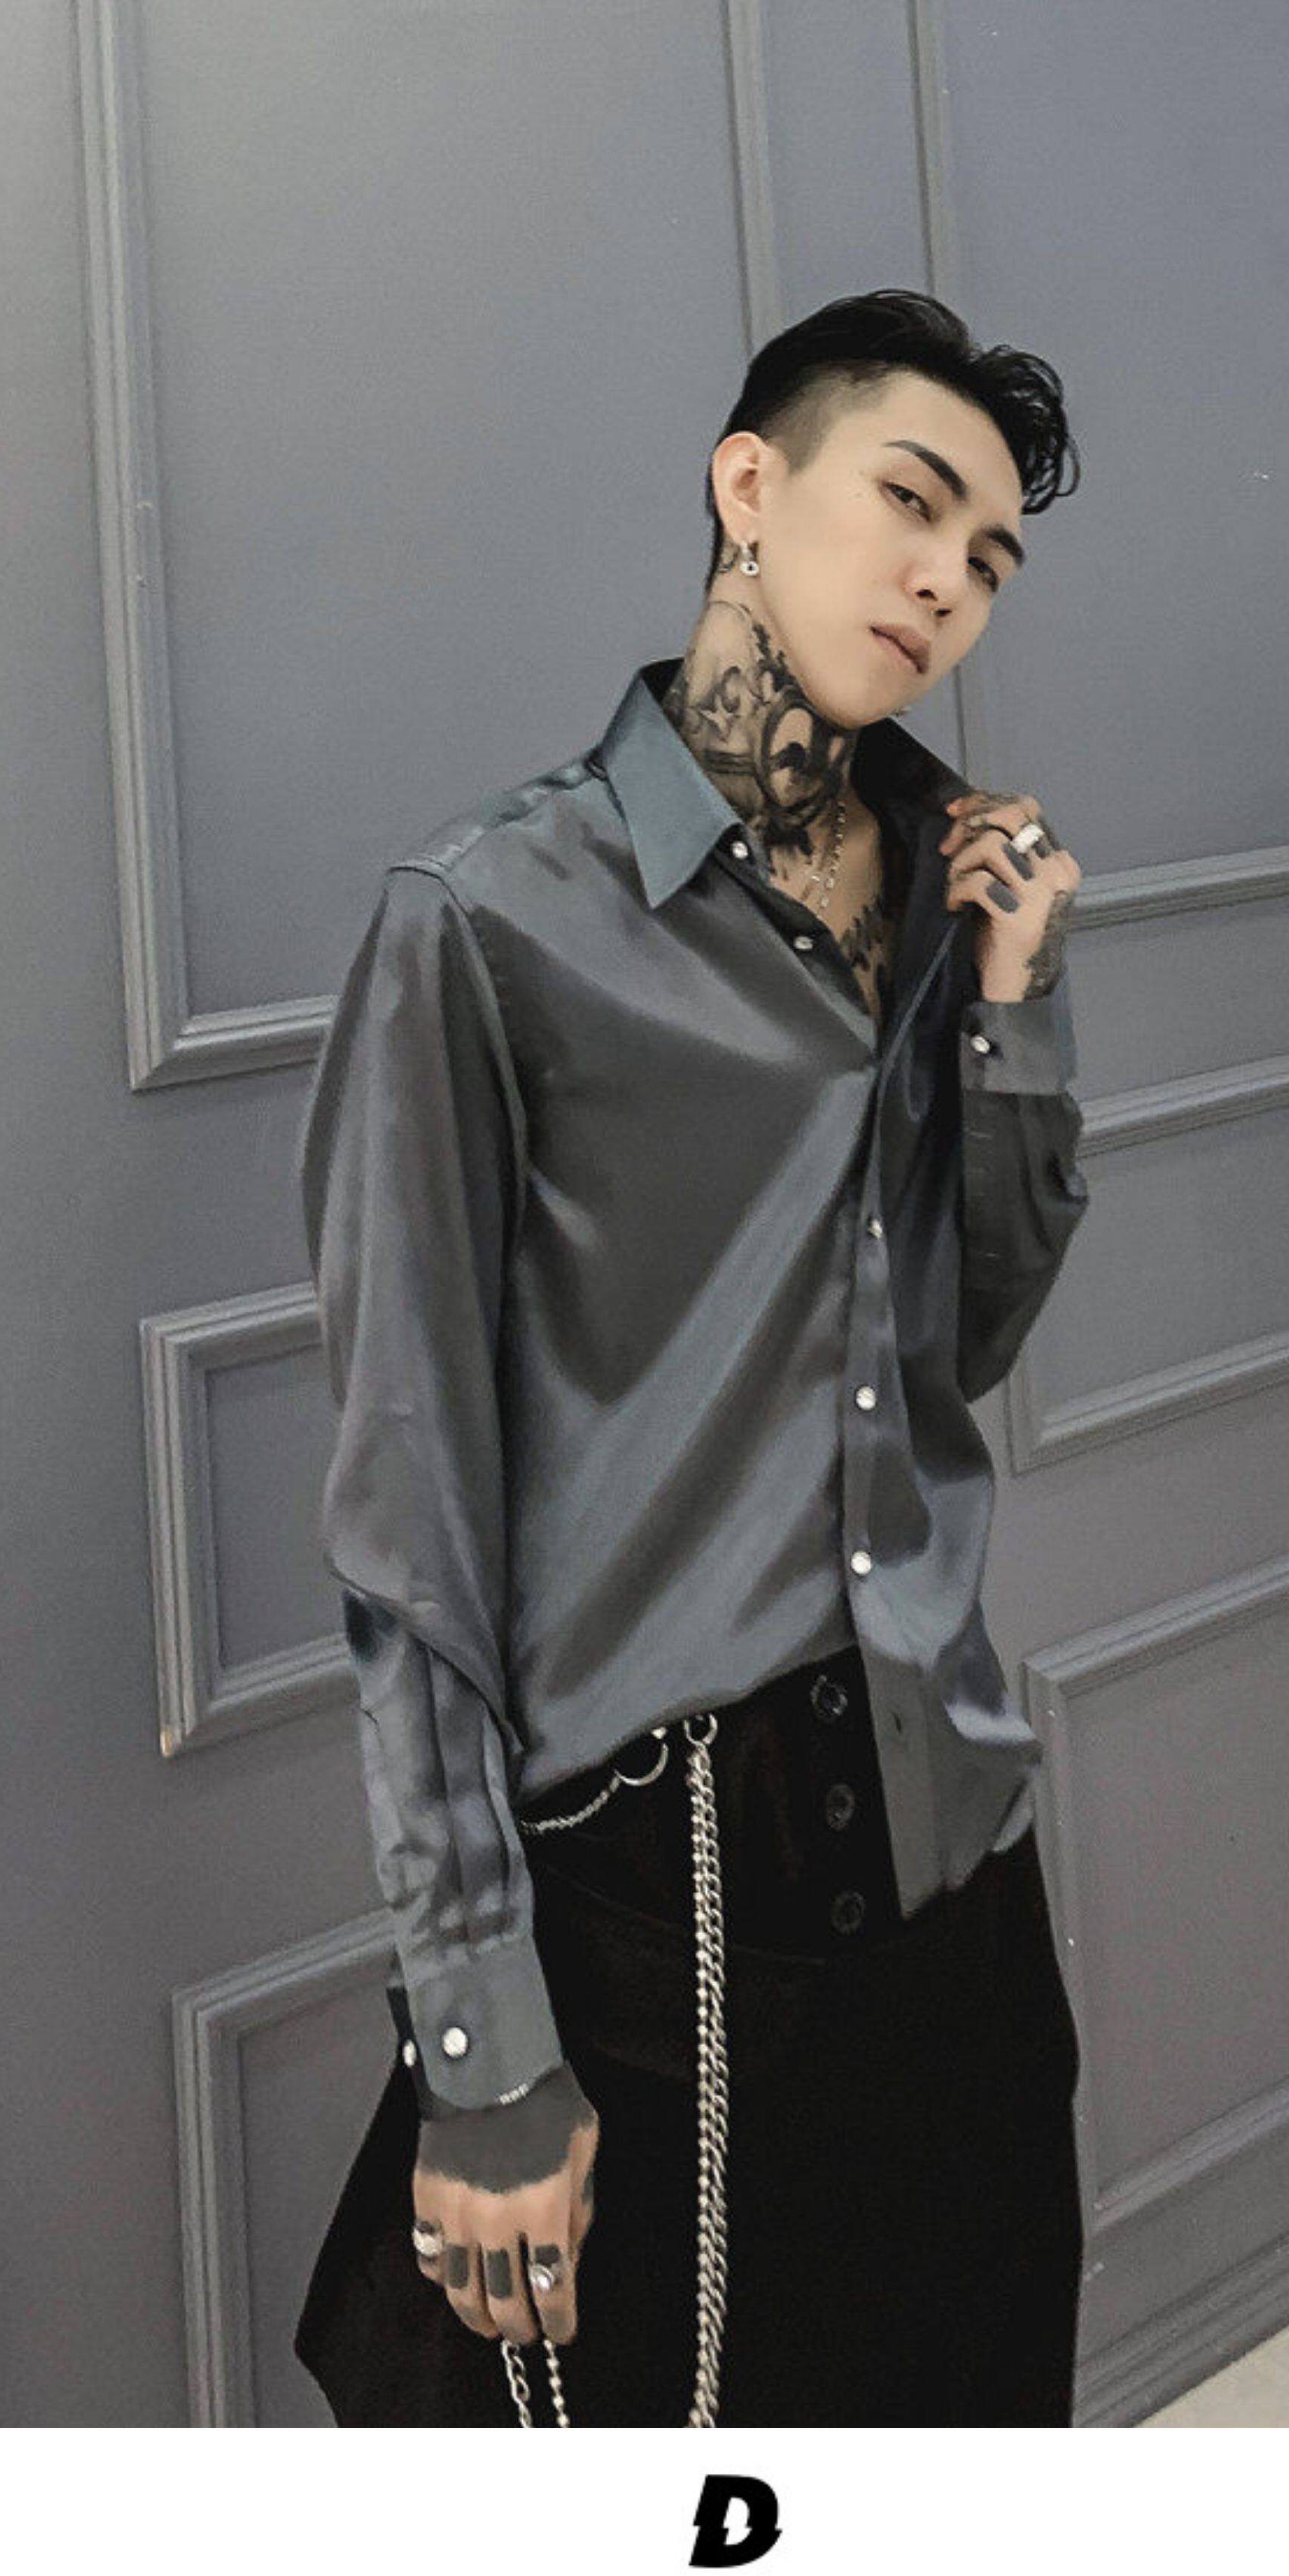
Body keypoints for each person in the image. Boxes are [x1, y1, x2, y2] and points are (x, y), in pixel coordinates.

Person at [293, 287, 1091, 2428]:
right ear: (751, 484)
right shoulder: (486, 920)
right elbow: (406, 1526)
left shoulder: (959, 903)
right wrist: (480, 2042)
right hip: (670, 1892)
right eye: (910, 501)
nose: (947, 580)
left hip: (952, 1849)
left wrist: (1018, 1006)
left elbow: (964, 1341)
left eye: (991, 556)